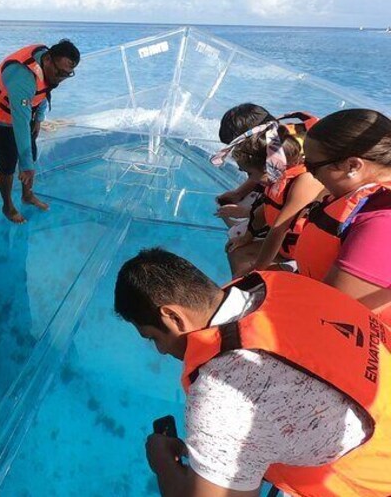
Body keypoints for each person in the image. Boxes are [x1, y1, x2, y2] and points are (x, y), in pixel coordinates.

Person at [114, 248, 391, 497]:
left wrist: (162, 464)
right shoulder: (285, 284)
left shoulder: (224, 394)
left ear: (173, 317)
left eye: (153, 338)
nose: (161, 351)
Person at [295, 109, 391, 317]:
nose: (308, 173)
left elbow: (331, 315)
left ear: (352, 165)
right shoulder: (357, 197)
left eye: (312, 166)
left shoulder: (383, 223)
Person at [211, 116, 325, 277]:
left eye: (250, 173)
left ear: (268, 167)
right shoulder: (277, 178)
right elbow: (263, 211)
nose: (249, 178)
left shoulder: (305, 181)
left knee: (247, 278)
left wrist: (257, 270)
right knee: (236, 251)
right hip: (285, 249)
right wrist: (246, 237)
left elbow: (278, 229)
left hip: (304, 259)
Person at [0, 40, 79, 223]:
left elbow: (44, 91)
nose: (61, 78)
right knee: (8, 162)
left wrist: (39, 119)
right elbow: (20, 124)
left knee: (30, 152)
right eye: (59, 73)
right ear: (48, 60)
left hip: (25, 111)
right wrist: (26, 166)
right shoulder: (23, 78)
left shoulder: (49, 66)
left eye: (67, 74)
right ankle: (7, 206)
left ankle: (27, 195)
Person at [215, 105, 316, 216]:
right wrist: (238, 193)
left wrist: (247, 213)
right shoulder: (270, 137)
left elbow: (286, 207)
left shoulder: (294, 153)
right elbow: (259, 168)